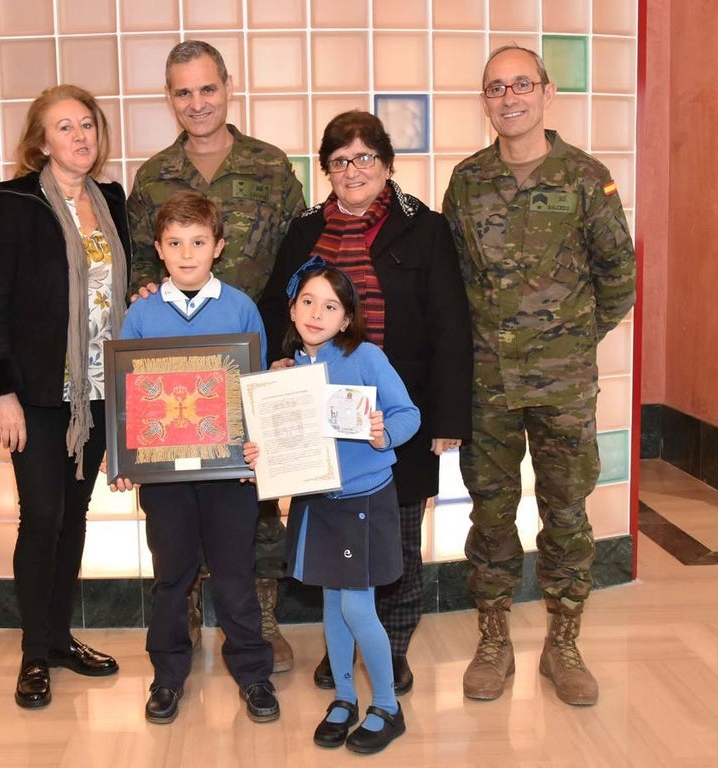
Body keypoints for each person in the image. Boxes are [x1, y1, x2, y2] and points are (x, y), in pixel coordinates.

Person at [442, 45, 636, 706]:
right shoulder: (467, 182)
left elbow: (619, 280)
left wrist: (572, 342)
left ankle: (564, 642)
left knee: (567, 515)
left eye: (521, 84)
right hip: (487, 387)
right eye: (496, 88)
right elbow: (454, 283)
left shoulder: (586, 178)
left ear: (545, 92)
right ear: (486, 100)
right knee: (491, 515)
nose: (509, 97)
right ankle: (493, 638)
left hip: (562, 388)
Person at [259, 110, 472, 696]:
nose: (353, 171)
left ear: (387, 165)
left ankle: (393, 650)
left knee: (396, 542)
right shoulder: (303, 232)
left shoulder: (424, 228)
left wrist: (449, 418)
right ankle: (340, 648)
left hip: (396, 412)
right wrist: (279, 370)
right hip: (319, 419)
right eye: (339, 160)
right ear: (325, 168)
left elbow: (451, 324)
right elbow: (280, 311)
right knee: (331, 540)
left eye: (365, 158)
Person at [127, 38, 306, 670]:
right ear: (169, 98)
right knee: (178, 508)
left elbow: (298, 261)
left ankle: (257, 620)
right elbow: (137, 270)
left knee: (253, 503)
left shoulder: (271, 166)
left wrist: (291, 350)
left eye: (207, 88)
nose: (197, 103)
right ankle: (187, 620)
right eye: (183, 92)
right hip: (175, 371)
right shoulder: (152, 177)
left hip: (248, 358)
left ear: (228, 87)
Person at [0, 84, 129, 709]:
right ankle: (35, 652)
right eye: (64, 127)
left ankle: (59, 637)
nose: (79, 137)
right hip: (36, 394)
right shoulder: (11, 203)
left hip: (96, 393)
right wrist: (0, 391)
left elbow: (119, 282)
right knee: (41, 517)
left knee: (75, 517)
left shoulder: (111, 199)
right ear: (40, 140)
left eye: (86, 124)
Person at [109, 192, 278, 725]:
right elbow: (126, 396)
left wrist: (258, 449)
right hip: (165, 480)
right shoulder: (140, 314)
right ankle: (167, 677)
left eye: (199, 243)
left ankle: (253, 674)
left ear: (218, 247)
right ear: (159, 249)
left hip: (230, 476)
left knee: (235, 575)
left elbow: (256, 385)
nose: (187, 254)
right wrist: (122, 459)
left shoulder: (241, 307)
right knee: (171, 578)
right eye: (176, 243)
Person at [246, 260, 420, 754]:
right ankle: (344, 698)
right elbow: (276, 438)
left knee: (356, 605)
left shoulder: (365, 357)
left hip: (363, 501)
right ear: (292, 309)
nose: (316, 313)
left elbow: (408, 413)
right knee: (331, 604)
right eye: (307, 302)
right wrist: (261, 452)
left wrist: (386, 433)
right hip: (316, 502)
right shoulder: (287, 371)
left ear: (346, 318)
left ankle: (386, 704)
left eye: (330, 306)